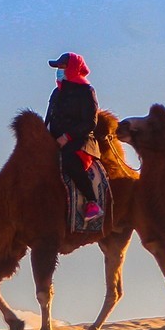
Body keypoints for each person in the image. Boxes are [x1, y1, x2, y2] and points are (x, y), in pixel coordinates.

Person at [45, 53, 103, 219]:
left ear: (72, 69)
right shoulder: (56, 93)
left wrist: (67, 137)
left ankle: (92, 202)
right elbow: (49, 118)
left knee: (69, 161)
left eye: (61, 67)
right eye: (58, 68)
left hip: (80, 142)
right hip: (55, 140)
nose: (58, 71)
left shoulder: (86, 91)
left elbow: (90, 123)